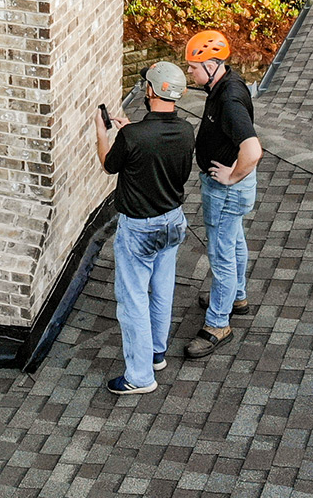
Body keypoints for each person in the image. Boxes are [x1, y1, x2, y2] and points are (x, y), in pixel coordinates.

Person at [95, 61, 195, 394]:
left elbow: (110, 165)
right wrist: (128, 132)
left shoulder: (134, 136)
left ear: (150, 90)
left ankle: (139, 377)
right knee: (162, 289)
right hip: (173, 222)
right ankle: (156, 353)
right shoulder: (185, 131)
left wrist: (103, 132)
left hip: (139, 229)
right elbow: (172, 168)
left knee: (133, 299)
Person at [183, 30, 263, 360]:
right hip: (231, 189)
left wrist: (232, 175)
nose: (189, 72)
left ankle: (218, 324)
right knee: (234, 241)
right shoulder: (223, 84)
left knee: (221, 256)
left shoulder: (229, 100)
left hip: (226, 190)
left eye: (193, 66)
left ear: (214, 65)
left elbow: (253, 149)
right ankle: (237, 298)